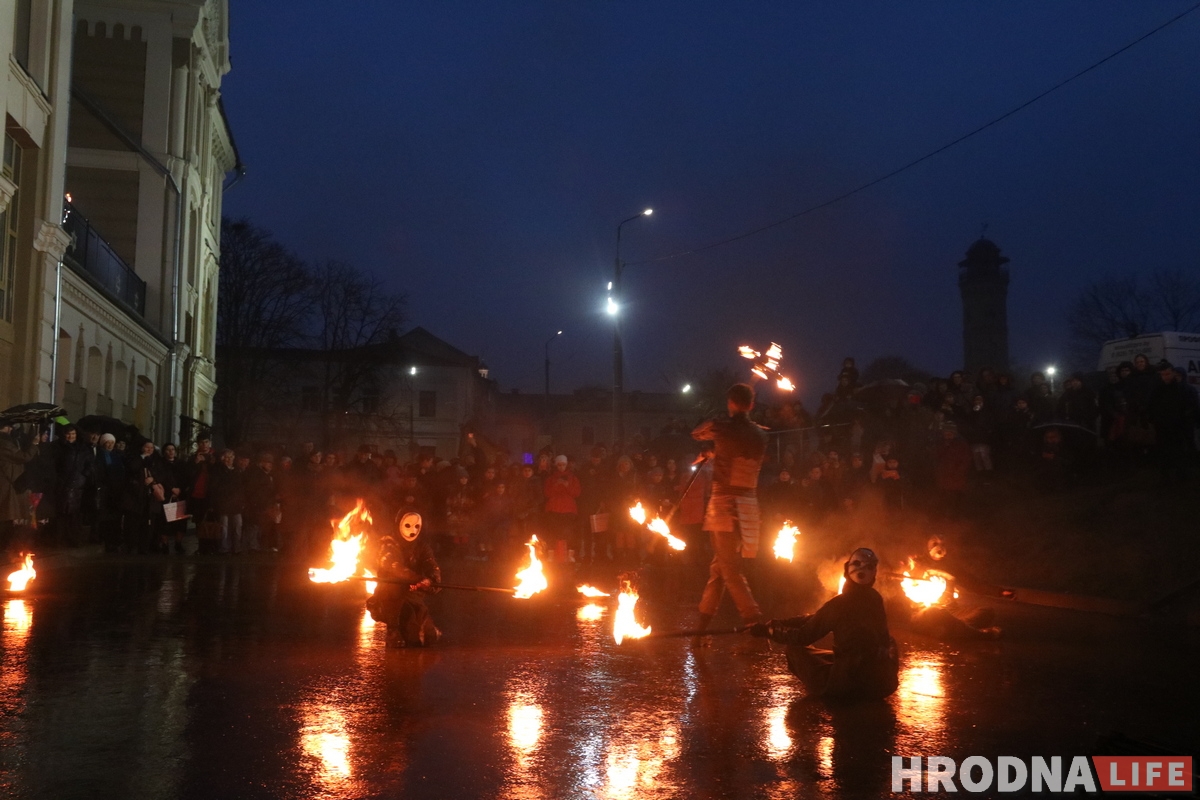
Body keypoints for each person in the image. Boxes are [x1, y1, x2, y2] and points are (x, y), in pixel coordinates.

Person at [749, 548, 899, 702]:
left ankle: (831, 688)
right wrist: (783, 622)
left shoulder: (839, 604)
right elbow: (820, 618)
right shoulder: (876, 599)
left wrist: (769, 631)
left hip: (848, 688)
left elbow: (802, 637)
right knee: (881, 644)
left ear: (847, 570)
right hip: (882, 686)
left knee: (795, 649)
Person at [692, 383, 767, 636]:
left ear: (730, 403)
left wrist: (719, 427)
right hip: (748, 508)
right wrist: (716, 451)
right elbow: (738, 453)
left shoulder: (721, 427)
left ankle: (754, 621)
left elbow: (697, 433)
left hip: (724, 507)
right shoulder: (761, 434)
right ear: (752, 405)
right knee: (720, 568)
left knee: (730, 571)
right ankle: (701, 626)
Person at [366, 511, 442, 648]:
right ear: (399, 523)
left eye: (416, 526)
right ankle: (394, 633)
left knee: (429, 635)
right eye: (408, 525)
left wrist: (429, 582)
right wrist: (416, 578)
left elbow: (432, 567)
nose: (412, 530)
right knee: (408, 632)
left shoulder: (422, 546)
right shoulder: (387, 543)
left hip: (413, 595)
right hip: (390, 594)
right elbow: (393, 566)